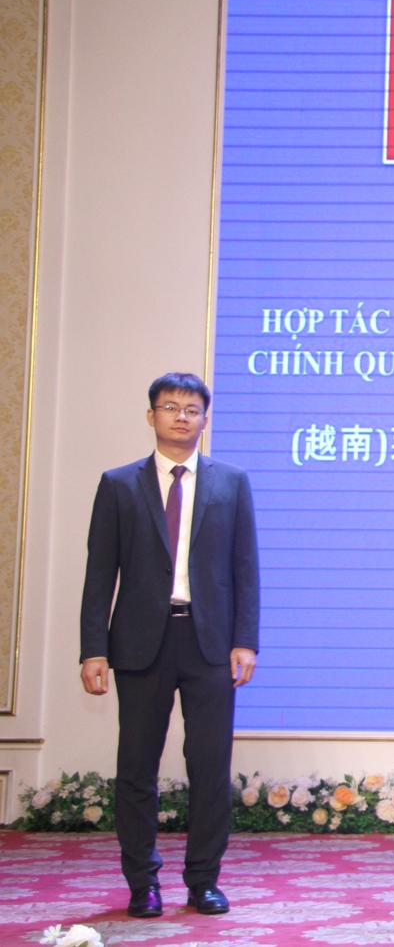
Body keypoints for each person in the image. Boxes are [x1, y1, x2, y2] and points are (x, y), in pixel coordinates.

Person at [79, 373, 259, 918]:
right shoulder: (118, 484)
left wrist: (245, 641)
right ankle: (143, 884)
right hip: (140, 644)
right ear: (151, 415)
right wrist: (93, 648)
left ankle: (203, 880)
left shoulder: (231, 483)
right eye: (170, 407)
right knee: (136, 768)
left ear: (205, 418)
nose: (181, 417)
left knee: (209, 767)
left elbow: (245, 569)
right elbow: (99, 574)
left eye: (191, 409)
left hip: (210, 644)